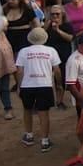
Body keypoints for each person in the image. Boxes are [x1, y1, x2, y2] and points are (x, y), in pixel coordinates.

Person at [14, 25, 63, 153]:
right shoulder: (51, 51)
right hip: (44, 84)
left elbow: (19, 71)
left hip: (27, 85)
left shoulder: (23, 51)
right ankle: (45, 141)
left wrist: (19, 85)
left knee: (27, 110)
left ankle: (29, 135)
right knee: (44, 113)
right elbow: (57, 70)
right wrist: (59, 84)